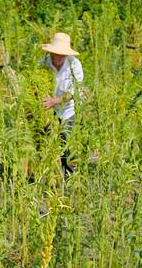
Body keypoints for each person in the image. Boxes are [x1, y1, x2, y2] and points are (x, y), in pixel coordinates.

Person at [38, 32, 84, 178]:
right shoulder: (43, 64)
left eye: (61, 54)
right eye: (55, 53)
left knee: (66, 141)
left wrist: (55, 101)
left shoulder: (74, 65)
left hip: (68, 110)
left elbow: (73, 92)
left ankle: (69, 177)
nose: (57, 57)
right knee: (48, 141)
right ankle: (50, 176)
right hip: (49, 111)